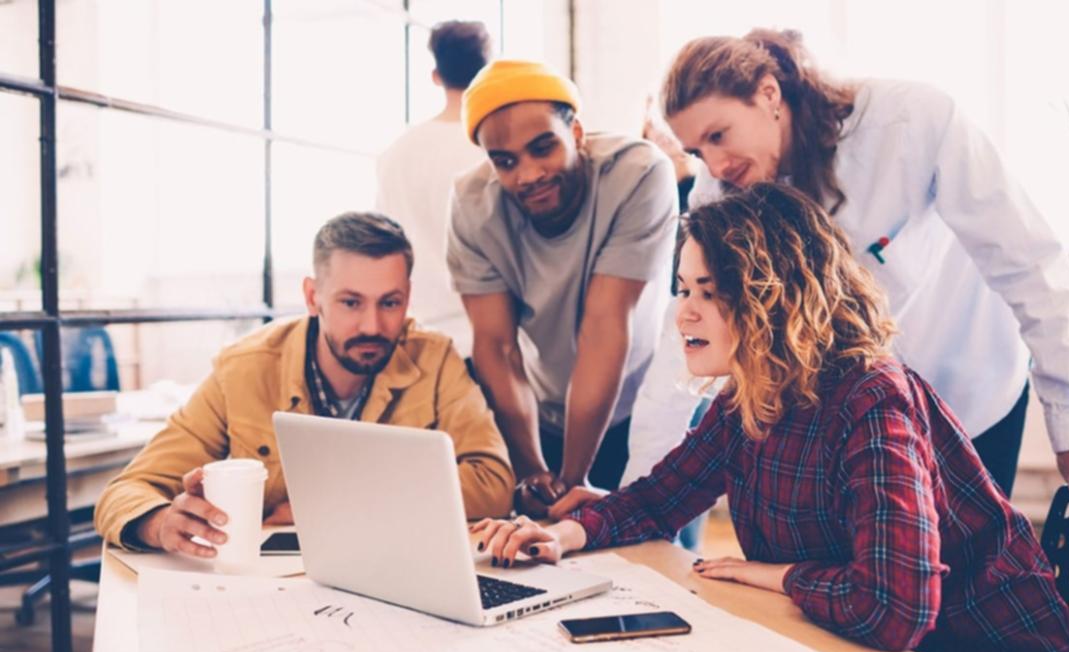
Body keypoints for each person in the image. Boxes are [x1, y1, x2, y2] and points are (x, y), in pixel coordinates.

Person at [476, 183, 1069, 652]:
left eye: (709, 293)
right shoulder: (751, 395)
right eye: (683, 289)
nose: (684, 313)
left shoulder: (873, 399)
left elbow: (895, 610)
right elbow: (660, 499)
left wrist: (776, 576)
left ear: (774, 296)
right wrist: (562, 536)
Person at [657, 27, 1069, 523]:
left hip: (972, 393)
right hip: (852, 424)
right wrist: (643, 479)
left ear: (769, 93)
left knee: (970, 568)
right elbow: (682, 332)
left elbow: (1032, 268)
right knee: (876, 568)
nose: (714, 165)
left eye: (719, 135)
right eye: (697, 151)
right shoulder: (720, 193)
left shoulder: (911, 123)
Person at [95, 213, 514, 557]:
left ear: (407, 296)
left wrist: (332, 505)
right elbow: (125, 491)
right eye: (350, 302)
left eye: (390, 303)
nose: (372, 325)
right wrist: (159, 524)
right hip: (273, 585)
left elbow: (493, 483)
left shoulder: (435, 359)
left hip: (391, 571)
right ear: (313, 297)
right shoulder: (242, 369)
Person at [446, 60, 678, 516]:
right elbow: (496, 345)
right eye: (505, 161)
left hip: (643, 406)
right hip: (545, 409)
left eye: (542, 148)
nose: (528, 174)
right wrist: (532, 469)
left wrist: (574, 480)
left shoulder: (638, 174)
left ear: (576, 133)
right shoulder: (473, 205)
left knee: (658, 547)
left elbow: (604, 327)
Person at [375, 20, 492, 354]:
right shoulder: (499, 151)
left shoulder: (395, 154)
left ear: (436, 76)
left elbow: (383, 247)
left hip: (419, 339)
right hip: (493, 339)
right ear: (487, 72)